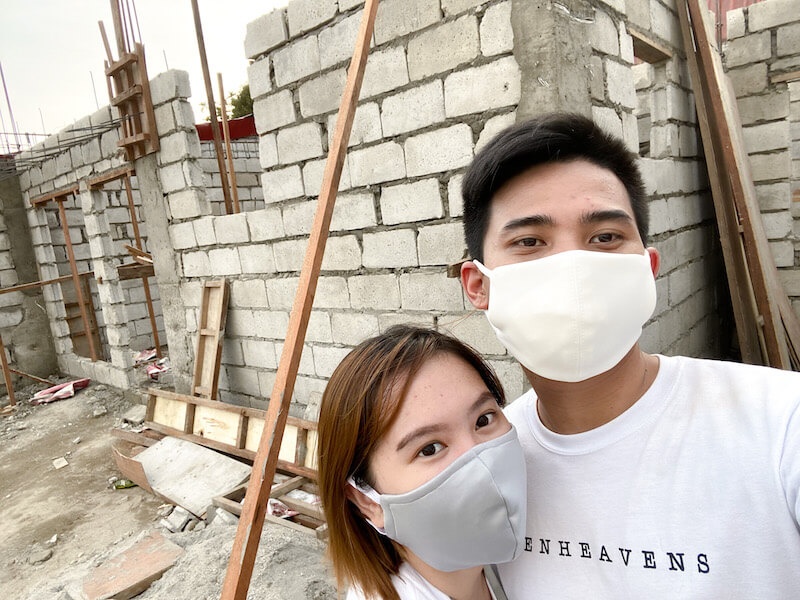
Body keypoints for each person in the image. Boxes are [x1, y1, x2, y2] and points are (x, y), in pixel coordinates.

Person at [459, 112, 800, 598]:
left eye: (604, 238)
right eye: (530, 242)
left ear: (648, 268)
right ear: (478, 285)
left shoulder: (781, 422)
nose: (573, 266)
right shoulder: (487, 471)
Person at [317, 325, 527, 600]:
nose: (481, 459)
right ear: (367, 501)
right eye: (430, 448)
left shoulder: (497, 573)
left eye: (483, 419)